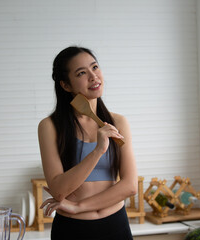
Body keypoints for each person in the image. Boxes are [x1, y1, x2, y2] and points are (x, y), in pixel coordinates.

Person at [38, 46, 138, 239]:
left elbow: (130, 185)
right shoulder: (50, 126)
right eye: (82, 73)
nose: (93, 76)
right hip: (72, 230)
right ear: (66, 85)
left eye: (95, 67)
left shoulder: (118, 123)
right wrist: (98, 151)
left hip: (116, 225)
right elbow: (58, 190)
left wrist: (78, 206)